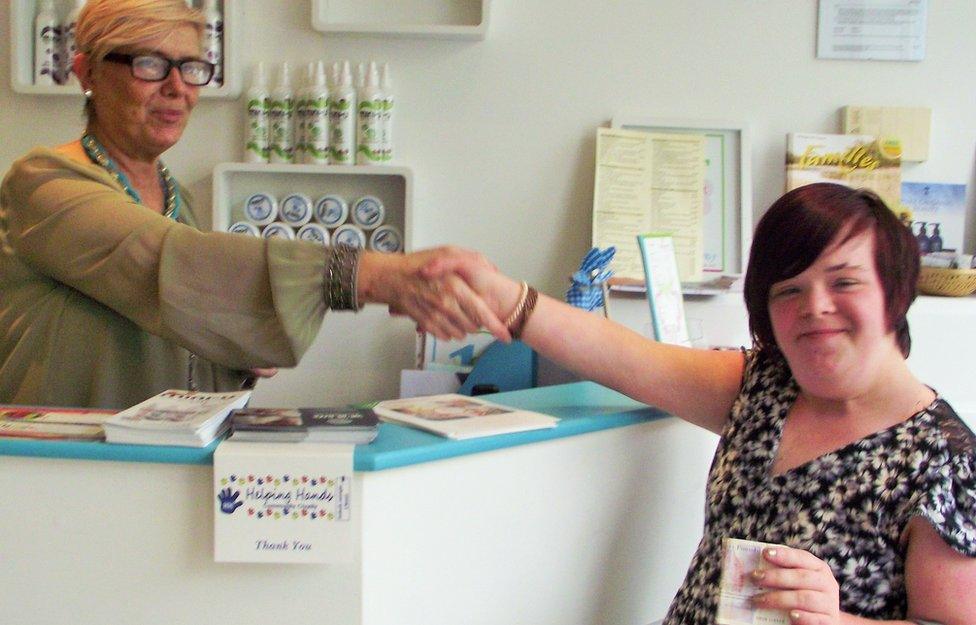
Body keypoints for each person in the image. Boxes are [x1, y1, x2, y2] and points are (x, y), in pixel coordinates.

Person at [429, 182, 976, 624]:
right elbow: (623, 357)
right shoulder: (762, 386)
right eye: (789, 290)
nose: (816, 307)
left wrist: (836, 620)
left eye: (845, 282)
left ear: (894, 293)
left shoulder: (945, 458)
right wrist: (504, 298)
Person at [0, 0, 507, 409]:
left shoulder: (177, 198)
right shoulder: (43, 184)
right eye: (149, 64)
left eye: (191, 67)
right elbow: (161, 259)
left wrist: (237, 348)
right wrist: (367, 274)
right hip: (62, 472)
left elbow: (176, 321)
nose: (177, 88)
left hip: (156, 467)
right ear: (86, 71)